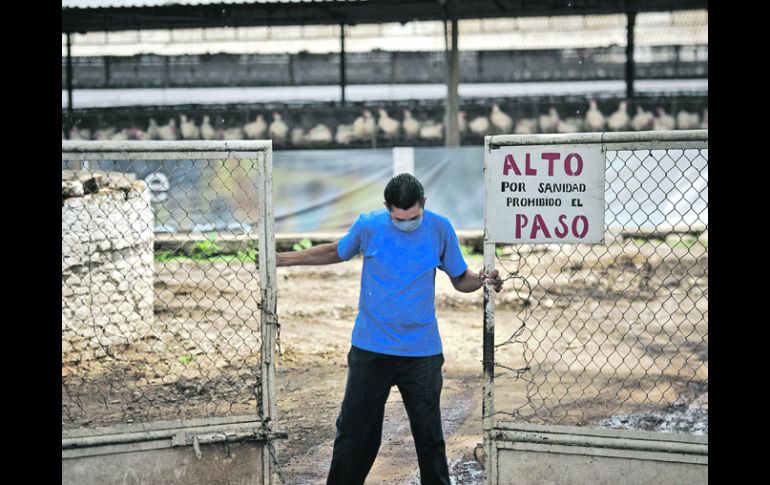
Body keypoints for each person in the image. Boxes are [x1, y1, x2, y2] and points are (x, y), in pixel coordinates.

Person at [276, 173, 503, 485]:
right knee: (355, 436)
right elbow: (335, 251)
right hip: (371, 350)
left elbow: (460, 278)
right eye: (399, 218)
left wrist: (480, 280)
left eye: (414, 217)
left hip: (421, 352)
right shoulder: (369, 226)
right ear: (387, 208)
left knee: (430, 439)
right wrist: (282, 259)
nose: (407, 223)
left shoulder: (439, 229)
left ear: (424, 204)